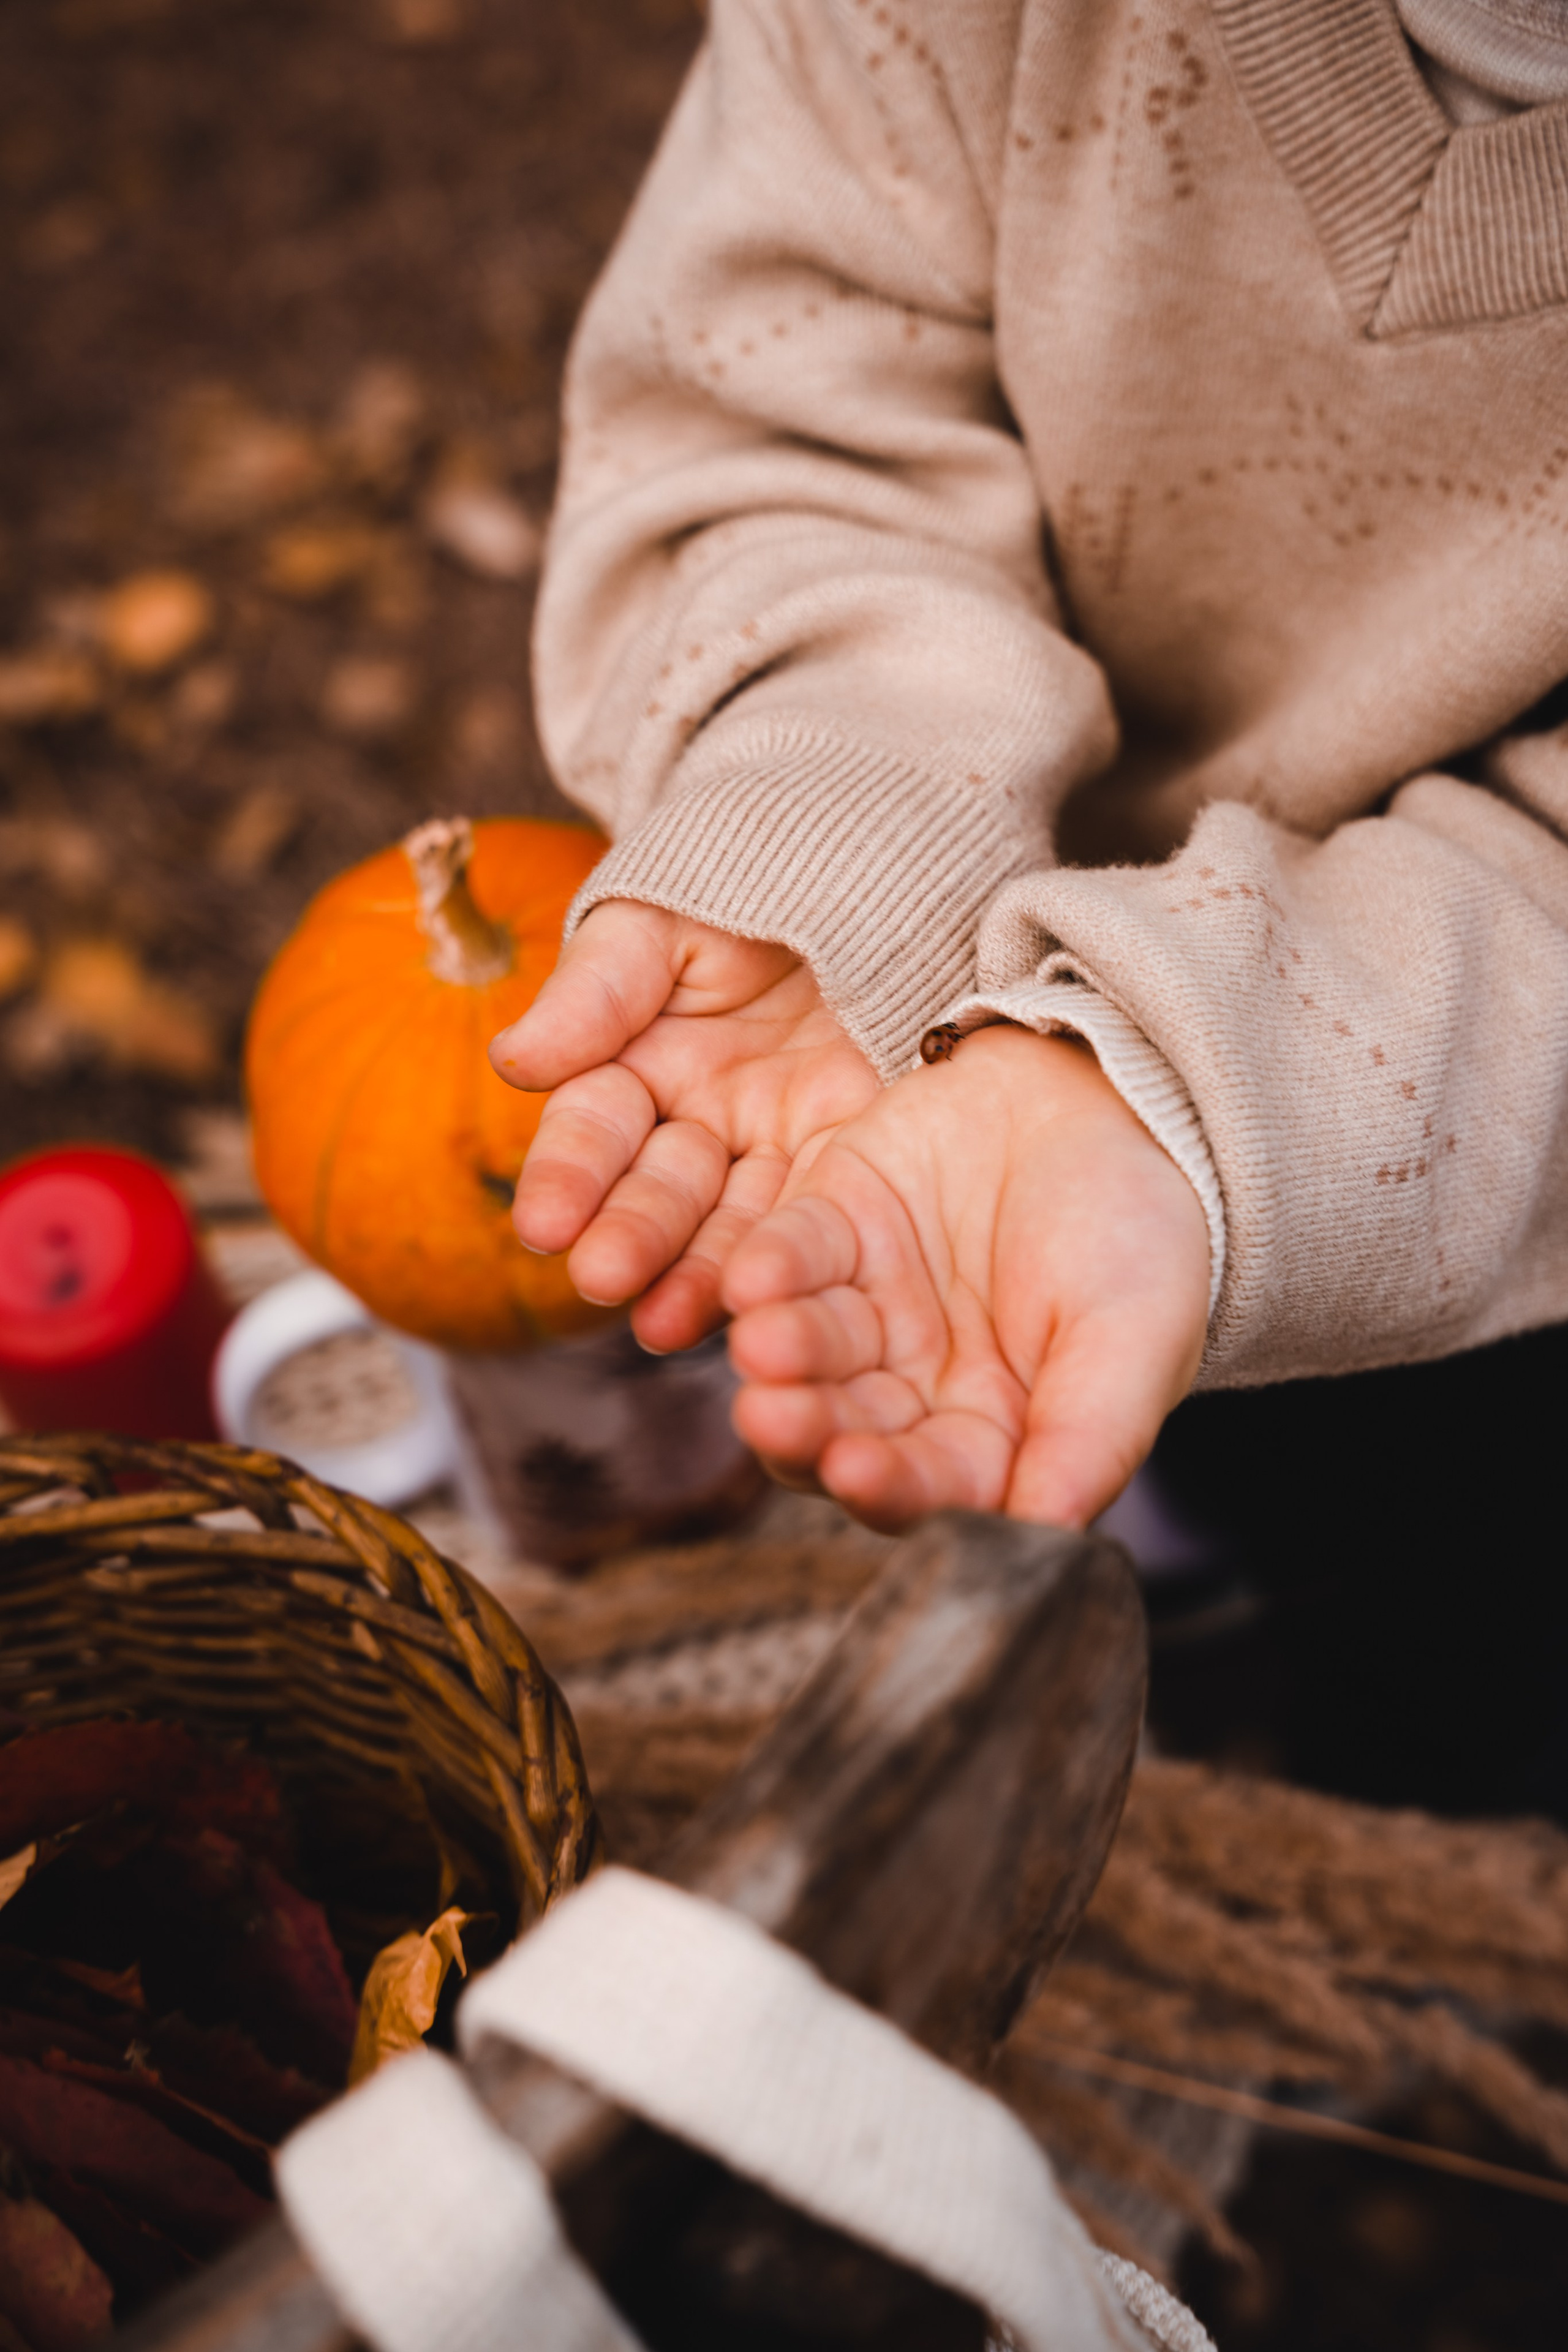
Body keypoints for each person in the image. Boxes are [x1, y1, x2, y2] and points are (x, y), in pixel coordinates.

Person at [489, 0, 1568, 1572]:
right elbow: (796, 417)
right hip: (1028, 1111)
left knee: (1454, 1621)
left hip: (1471, 1146)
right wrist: (838, 827)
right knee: (1153, 1416)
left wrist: (1196, 1087)